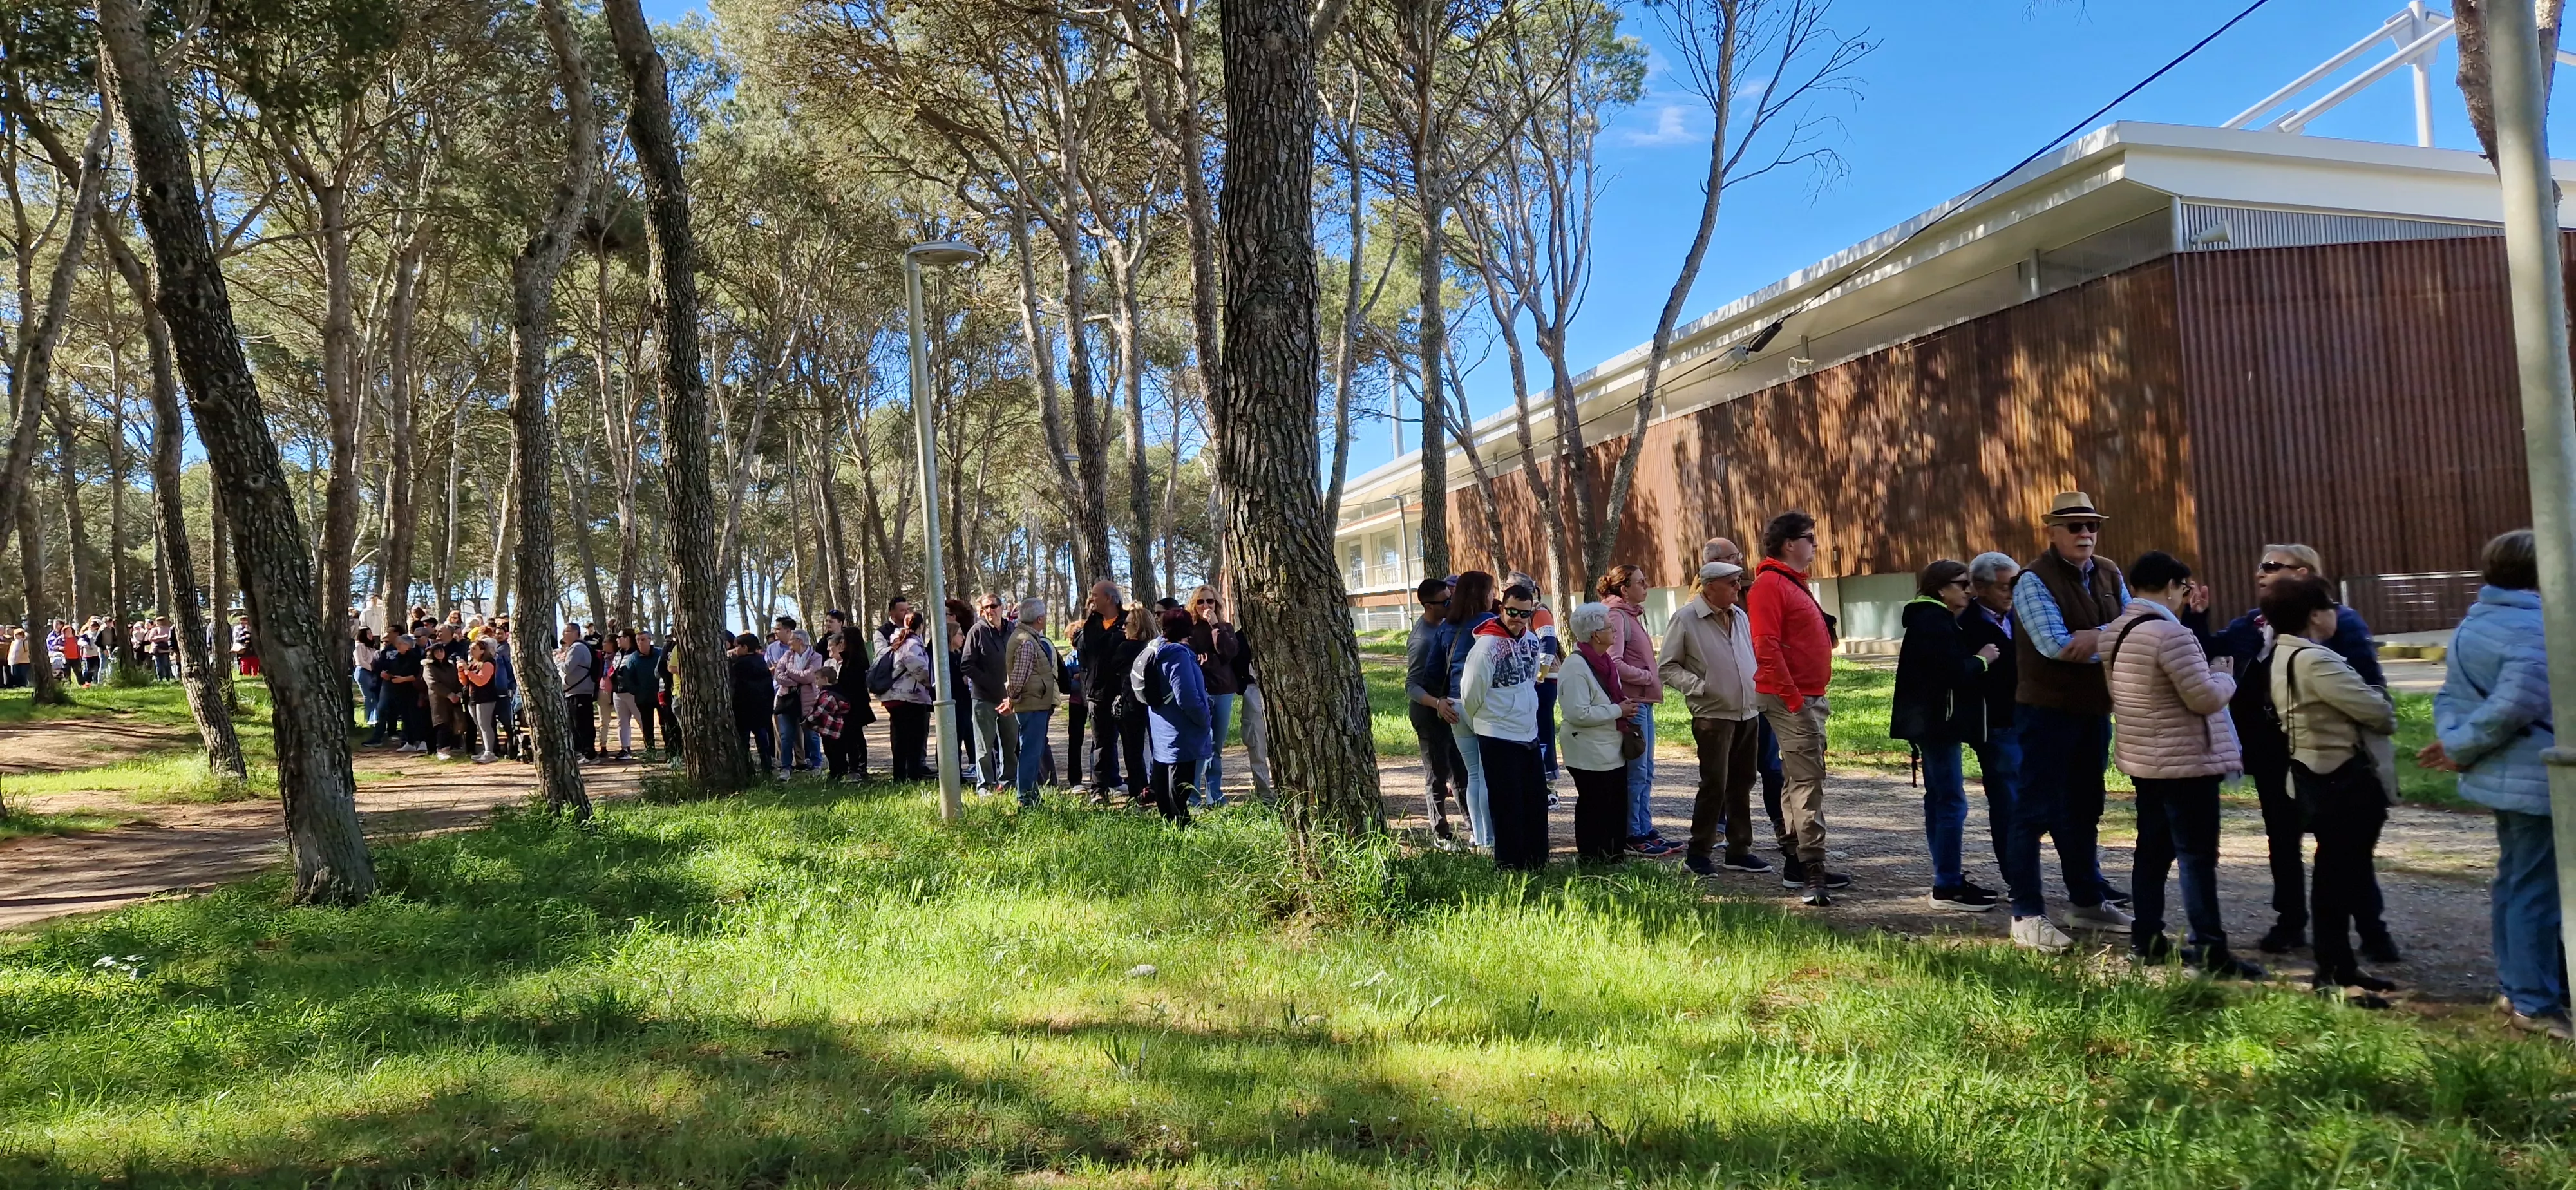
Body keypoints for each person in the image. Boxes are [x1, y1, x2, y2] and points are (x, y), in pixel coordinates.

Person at [2211, 543, 2396, 959]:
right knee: (2283, 839)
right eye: (2260, 565)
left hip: (2327, 753)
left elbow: (2369, 683)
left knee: (2343, 846)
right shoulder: (2253, 624)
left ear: (2304, 574)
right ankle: (2291, 922)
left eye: (2272, 566)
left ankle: (2372, 930)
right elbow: (2215, 648)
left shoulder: (2339, 623)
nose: (2261, 572)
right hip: (2271, 750)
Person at [2421, 530, 2567, 1039]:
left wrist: (2455, 742)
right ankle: (2534, 1001)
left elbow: (2451, 697)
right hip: (2536, 777)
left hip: (2508, 775)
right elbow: (2515, 705)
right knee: (2536, 890)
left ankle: (2520, 987)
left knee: (2517, 883)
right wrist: (2461, 746)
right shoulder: (2534, 628)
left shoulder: (2476, 621)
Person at [2103, 552, 2264, 978]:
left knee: (2151, 853)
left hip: (2145, 759)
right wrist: (2225, 673)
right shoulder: (2171, 634)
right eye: (2185, 588)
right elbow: (2204, 698)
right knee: (2196, 857)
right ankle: (2211, 950)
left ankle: (2147, 939)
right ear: (2174, 586)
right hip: (2187, 762)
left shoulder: (2116, 631)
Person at [2004, 492, 2134, 949]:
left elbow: (2136, 627)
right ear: (2053, 532)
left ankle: (2086, 901)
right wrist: (2111, 637)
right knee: (2034, 811)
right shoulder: (2032, 580)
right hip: (2046, 712)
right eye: (2075, 526)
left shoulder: (2110, 572)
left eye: (2092, 526)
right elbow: (2056, 646)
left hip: (2093, 710)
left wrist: (2095, 636)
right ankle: (2026, 913)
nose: (2086, 534)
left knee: (2084, 808)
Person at [2266, 573, 2400, 997]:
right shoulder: (2315, 660)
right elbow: (2379, 714)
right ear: (2314, 615)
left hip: (2316, 775)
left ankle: (2341, 967)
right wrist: (2380, 700)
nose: (2336, 615)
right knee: (2338, 878)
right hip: (2343, 778)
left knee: (2336, 875)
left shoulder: (2284, 653)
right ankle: (2333, 973)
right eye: (2330, 607)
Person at [1890, 559, 2004, 911]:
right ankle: (1947, 885)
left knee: (1940, 799)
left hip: (1932, 723)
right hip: (1938, 724)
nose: (1969, 591)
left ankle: (1947, 877)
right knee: (1951, 802)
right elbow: (1950, 673)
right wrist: (1982, 659)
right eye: (1961, 584)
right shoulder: (1933, 620)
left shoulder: (1929, 618)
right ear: (1941, 589)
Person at [1748, 511, 1844, 905]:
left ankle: (1796, 862)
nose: (1816, 545)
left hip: (1805, 695)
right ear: (1790, 544)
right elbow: (1765, 647)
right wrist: (1794, 701)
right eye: (1810, 538)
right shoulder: (1770, 585)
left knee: (1796, 779)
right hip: (1793, 698)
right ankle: (1812, 870)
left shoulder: (1791, 582)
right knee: (1808, 780)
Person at [1659, 561, 1770, 877]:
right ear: (1710, 587)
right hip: (1713, 716)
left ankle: (1739, 849)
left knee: (1743, 782)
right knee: (1714, 785)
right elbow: (1667, 667)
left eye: (1739, 582)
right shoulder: (1685, 619)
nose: (1738, 588)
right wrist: (1701, 687)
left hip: (1748, 712)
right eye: (1732, 583)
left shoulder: (1740, 616)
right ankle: (1699, 853)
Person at [1461, 581, 1550, 871]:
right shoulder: (1485, 647)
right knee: (1507, 804)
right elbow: (1470, 694)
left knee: (1535, 801)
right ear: (1501, 608)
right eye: (1512, 611)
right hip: (1497, 733)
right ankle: (1510, 865)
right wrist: (1486, 722)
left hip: (1528, 732)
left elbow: (1531, 680)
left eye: (1525, 613)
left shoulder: (1532, 641)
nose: (1518, 618)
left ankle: (1537, 861)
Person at [1959, 552, 2025, 903]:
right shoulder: (1965, 624)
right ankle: (2019, 880)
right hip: (1998, 725)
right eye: (2005, 586)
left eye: (2017, 584)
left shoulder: (2023, 615)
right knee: (2009, 803)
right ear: (1980, 587)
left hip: (2034, 720)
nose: (2013, 593)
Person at [1600, 565, 1670, 856]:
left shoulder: (1631, 615)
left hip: (1644, 701)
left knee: (1647, 769)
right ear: (1624, 589)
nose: (1647, 586)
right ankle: (1632, 833)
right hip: (1633, 703)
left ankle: (1644, 826)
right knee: (1637, 770)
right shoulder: (1616, 616)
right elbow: (1613, 662)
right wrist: (1647, 677)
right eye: (1641, 582)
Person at [1562, 600, 1639, 864]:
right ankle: (1592, 858)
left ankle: (1614, 856)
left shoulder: (1605, 661)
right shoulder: (1575, 667)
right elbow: (1577, 713)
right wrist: (1619, 710)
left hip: (1610, 746)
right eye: (1609, 628)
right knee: (1594, 805)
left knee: (1615, 803)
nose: (1614, 631)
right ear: (1595, 635)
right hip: (1588, 750)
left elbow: (1608, 697)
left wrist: (1623, 706)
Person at [1443, 571, 1501, 848]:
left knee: (1473, 775)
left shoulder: (1447, 627)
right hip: (1483, 703)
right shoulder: (1491, 624)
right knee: (1488, 773)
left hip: (1454, 704)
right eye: (1491, 591)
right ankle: (1492, 839)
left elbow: (1433, 671)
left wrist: (1440, 702)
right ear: (1481, 594)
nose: (1494, 596)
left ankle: (1479, 836)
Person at [1404, 576, 1463, 846]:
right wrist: (1437, 703)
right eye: (1445, 602)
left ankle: (1475, 828)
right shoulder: (1421, 640)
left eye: (1451, 598)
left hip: (1447, 710)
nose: (1451, 604)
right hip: (1428, 714)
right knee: (1437, 776)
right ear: (1429, 606)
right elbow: (1411, 686)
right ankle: (1440, 833)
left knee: (1460, 773)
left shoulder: (1445, 625)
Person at [1140, 608, 1209, 824]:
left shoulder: (1156, 647)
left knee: (1164, 780)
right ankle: (1180, 827)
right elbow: (1187, 697)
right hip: (1181, 730)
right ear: (1188, 629)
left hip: (1162, 727)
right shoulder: (1177, 655)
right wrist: (1204, 718)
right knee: (1180, 785)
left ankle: (1171, 824)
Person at [998, 598, 1062, 806]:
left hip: (1035, 704)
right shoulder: (1026, 641)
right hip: (1032, 705)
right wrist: (1012, 700)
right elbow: (1018, 679)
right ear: (1040, 619)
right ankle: (1025, 799)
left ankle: (1031, 796)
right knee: (1030, 754)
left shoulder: (1027, 637)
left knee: (1033, 752)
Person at [1188, 587, 1244, 807]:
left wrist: (1215, 626)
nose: (1205, 606)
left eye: (1210, 601)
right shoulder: (1189, 629)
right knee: (1197, 746)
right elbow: (1193, 658)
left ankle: (1215, 795)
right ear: (1194, 605)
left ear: (1217, 604)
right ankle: (1193, 798)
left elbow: (1229, 652)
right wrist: (1215, 660)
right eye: (1200, 602)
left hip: (1223, 691)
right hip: (1199, 692)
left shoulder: (1224, 627)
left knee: (1216, 747)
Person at [1074, 583, 1131, 802]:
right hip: (1097, 695)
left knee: (1130, 743)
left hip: (1123, 695)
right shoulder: (1091, 625)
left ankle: (1136, 788)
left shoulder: (1128, 623)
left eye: (1095, 595)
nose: (1091, 599)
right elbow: (1086, 660)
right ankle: (1098, 790)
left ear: (1109, 598)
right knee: (1100, 744)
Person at [963, 594, 1017, 797]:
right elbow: (967, 665)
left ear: (1002, 607)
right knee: (984, 746)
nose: (990, 611)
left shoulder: (1012, 630)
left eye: (993, 606)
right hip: (983, 698)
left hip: (1009, 698)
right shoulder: (977, 631)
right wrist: (989, 682)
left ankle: (1008, 782)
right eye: (985, 608)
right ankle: (984, 785)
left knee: (1010, 743)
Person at [882, 613, 936, 780]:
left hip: (896, 695)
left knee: (900, 738)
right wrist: (931, 683)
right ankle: (912, 774)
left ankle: (900, 775)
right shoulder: (911, 643)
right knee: (914, 738)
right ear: (921, 626)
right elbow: (919, 669)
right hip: (910, 697)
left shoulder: (898, 641)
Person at [770, 630, 825, 779]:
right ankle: (786, 767)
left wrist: (790, 672)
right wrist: (796, 682)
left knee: (811, 735)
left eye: (792, 640)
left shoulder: (816, 657)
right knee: (786, 735)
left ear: (800, 641)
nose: (789, 643)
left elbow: (809, 677)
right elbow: (779, 676)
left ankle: (816, 765)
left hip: (808, 701)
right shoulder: (787, 656)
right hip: (787, 700)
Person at [727, 632, 777, 772]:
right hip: (762, 709)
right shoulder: (761, 661)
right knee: (763, 741)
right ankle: (767, 769)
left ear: (745, 647)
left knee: (744, 742)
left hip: (744, 709)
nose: (735, 650)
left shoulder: (739, 665)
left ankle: (747, 770)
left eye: (737, 647)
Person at [612, 628, 657, 761]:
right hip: (622, 692)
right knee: (623, 721)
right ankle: (626, 749)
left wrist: (636, 691)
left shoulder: (643, 654)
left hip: (641, 694)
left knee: (644, 721)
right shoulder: (620, 654)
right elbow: (619, 673)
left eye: (621, 637)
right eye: (638, 640)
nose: (617, 640)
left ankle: (657, 749)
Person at [460, 639, 502, 763]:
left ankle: (490, 752)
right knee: (478, 725)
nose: (471, 651)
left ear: (483, 651)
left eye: (474, 649)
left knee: (485, 725)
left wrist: (468, 671)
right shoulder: (473, 664)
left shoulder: (488, 663)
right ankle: (485, 750)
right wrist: (461, 672)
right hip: (473, 697)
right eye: (470, 649)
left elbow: (481, 681)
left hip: (485, 698)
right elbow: (465, 682)